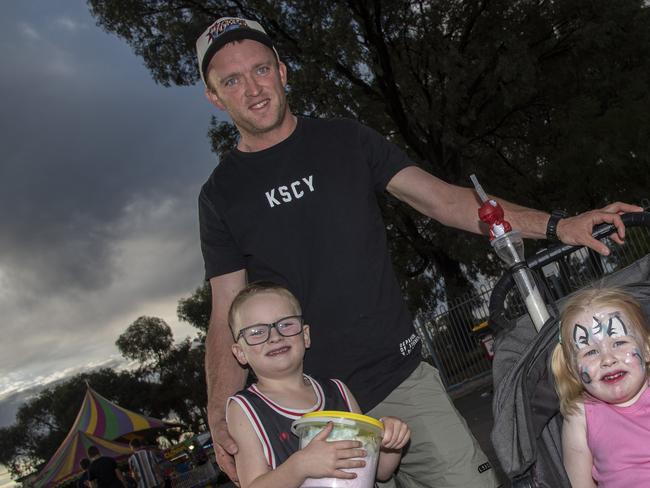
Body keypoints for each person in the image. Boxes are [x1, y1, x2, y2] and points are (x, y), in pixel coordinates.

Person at [194, 16, 643, 488]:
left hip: (398, 380)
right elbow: (227, 310)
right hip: (311, 412)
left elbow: (445, 200)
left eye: (261, 70)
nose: (253, 88)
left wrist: (559, 225)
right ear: (214, 95)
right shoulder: (221, 195)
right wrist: (218, 414)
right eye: (232, 80)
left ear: (282, 71)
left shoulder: (344, 140)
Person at [226, 281, 410, 487]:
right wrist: (299, 466)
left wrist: (391, 443)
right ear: (240, 353)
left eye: (286, 324)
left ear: (305, 336)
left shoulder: (339, 391)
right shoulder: (244, 409)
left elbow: (380, 472)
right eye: (257, 332)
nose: (275, 337)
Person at [551, 288, 650, 487]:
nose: (607, 359)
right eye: (590, 352)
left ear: (646, 349)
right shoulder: (581, 415)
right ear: (572, 369)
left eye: (619, 342)